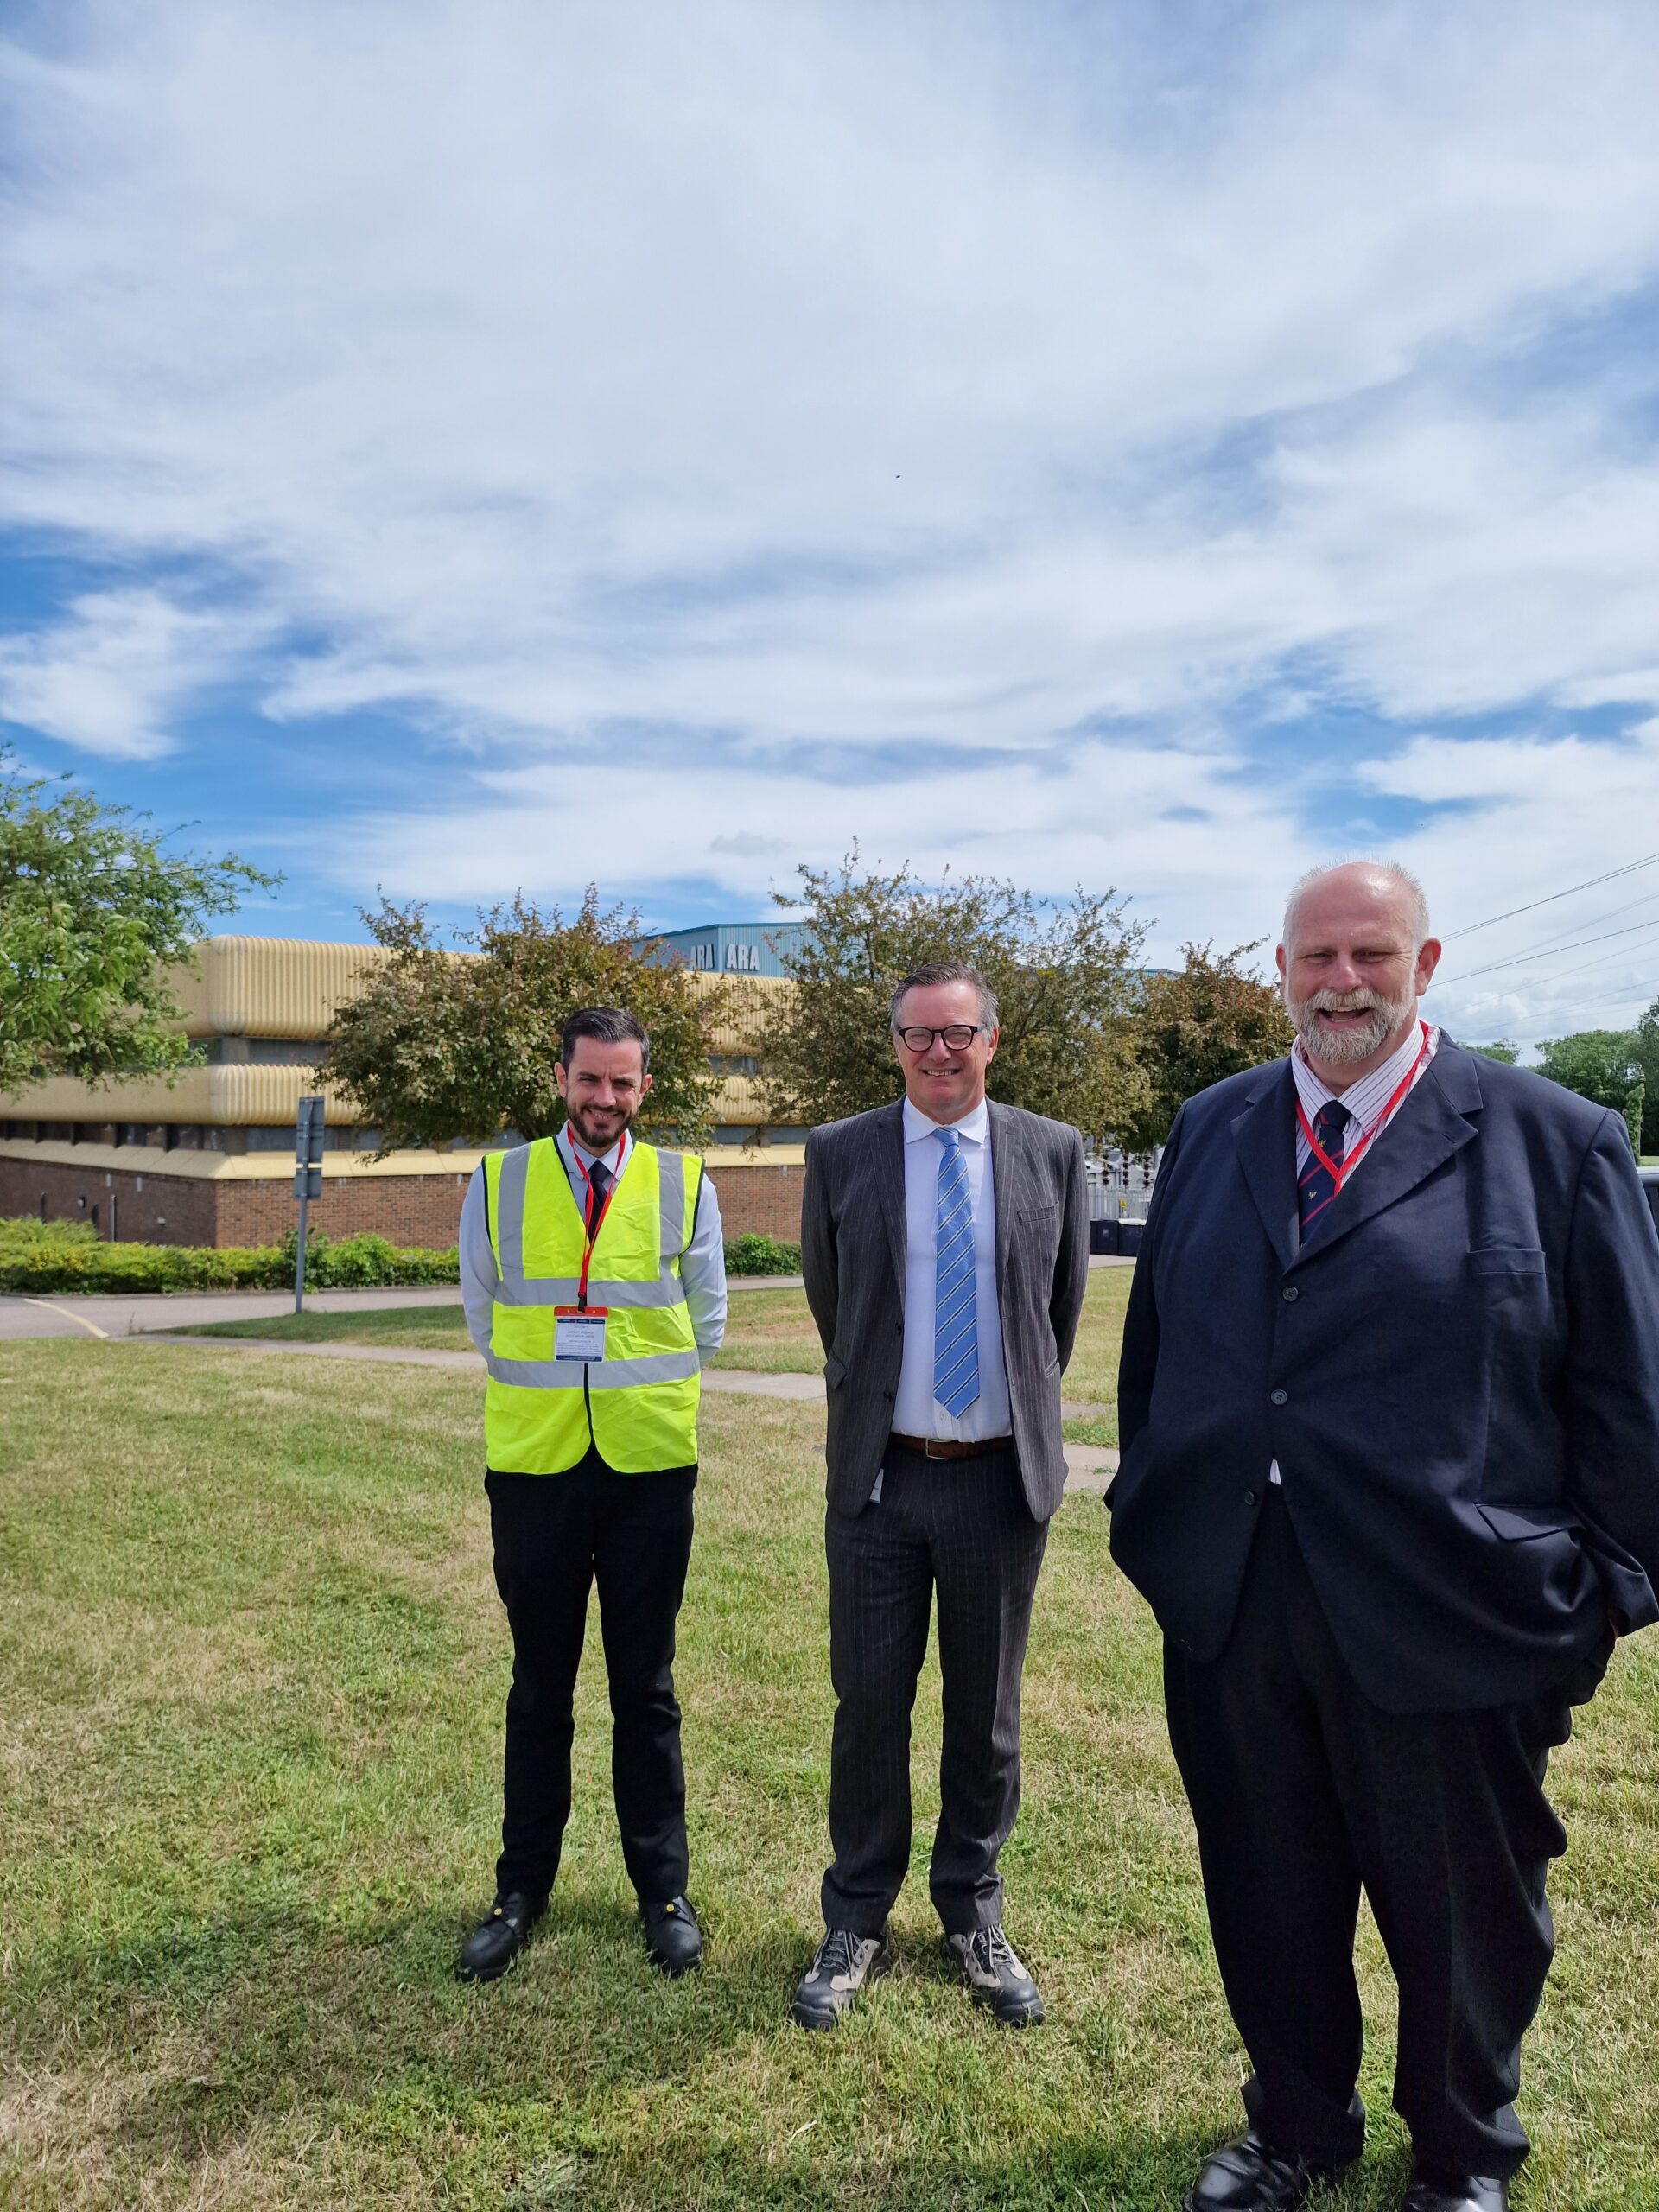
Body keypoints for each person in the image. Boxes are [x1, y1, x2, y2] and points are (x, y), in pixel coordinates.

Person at [1110, 861, 1659, 2212]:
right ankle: (1296, 2124)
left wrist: (1597, 1601)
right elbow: (1159, 1354)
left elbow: (1630, 1405)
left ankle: (1465, 2151)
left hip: (1454, 1610)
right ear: (1280, 971)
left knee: (1464, 1915)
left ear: (1426, 963)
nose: (1340, 981)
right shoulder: (1215, 1126)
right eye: (1314, 958)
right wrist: (1158, 1521)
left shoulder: (1556, 1140)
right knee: (1268, 1888)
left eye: (1370, 954)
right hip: (1240, 1600)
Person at [792, 961, 1089, 2030]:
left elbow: (1054, 1317)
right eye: (919, 1035)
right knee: (868, 1706)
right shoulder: (840, 1152)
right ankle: (857, 1915)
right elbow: (838, 1306)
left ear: (991, 1041)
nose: (939, 1051)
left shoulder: (1051, 1151)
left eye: (958, 1033)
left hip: (998, 1489)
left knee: (987, 1717)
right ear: (897, 1044)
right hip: (880, 1483)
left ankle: (971, 1905)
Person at [454, 1006, 726, 1983]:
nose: (604, 1098)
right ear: (560, 1075)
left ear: (643, 1088)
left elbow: (712, 1320)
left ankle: (663, 1892)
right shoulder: (498, 1180)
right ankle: (519, 1890)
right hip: (535, 1473)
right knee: (539, 1688)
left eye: (623, 1083)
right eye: (589, 1079)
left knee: (644, 1691)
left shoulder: (685, 1181)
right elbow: (487, 1316)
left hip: (649, 1471)